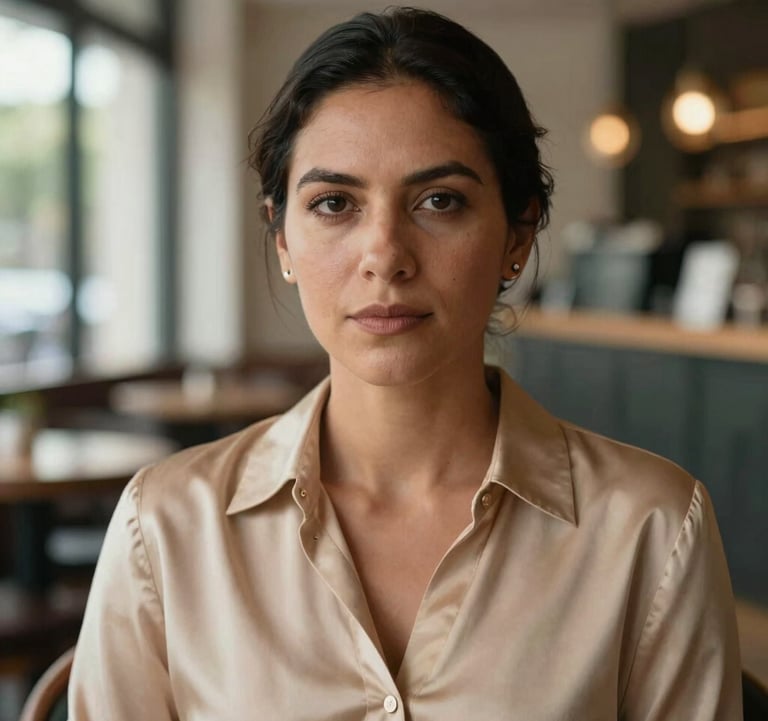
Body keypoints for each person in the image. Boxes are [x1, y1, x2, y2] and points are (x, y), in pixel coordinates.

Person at [69, 7, 742, 720]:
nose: (385, 254)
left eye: (439, 201)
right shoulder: (168, 527)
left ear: (518, 233)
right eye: (334, 203)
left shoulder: (651, 529)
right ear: (283, 243)